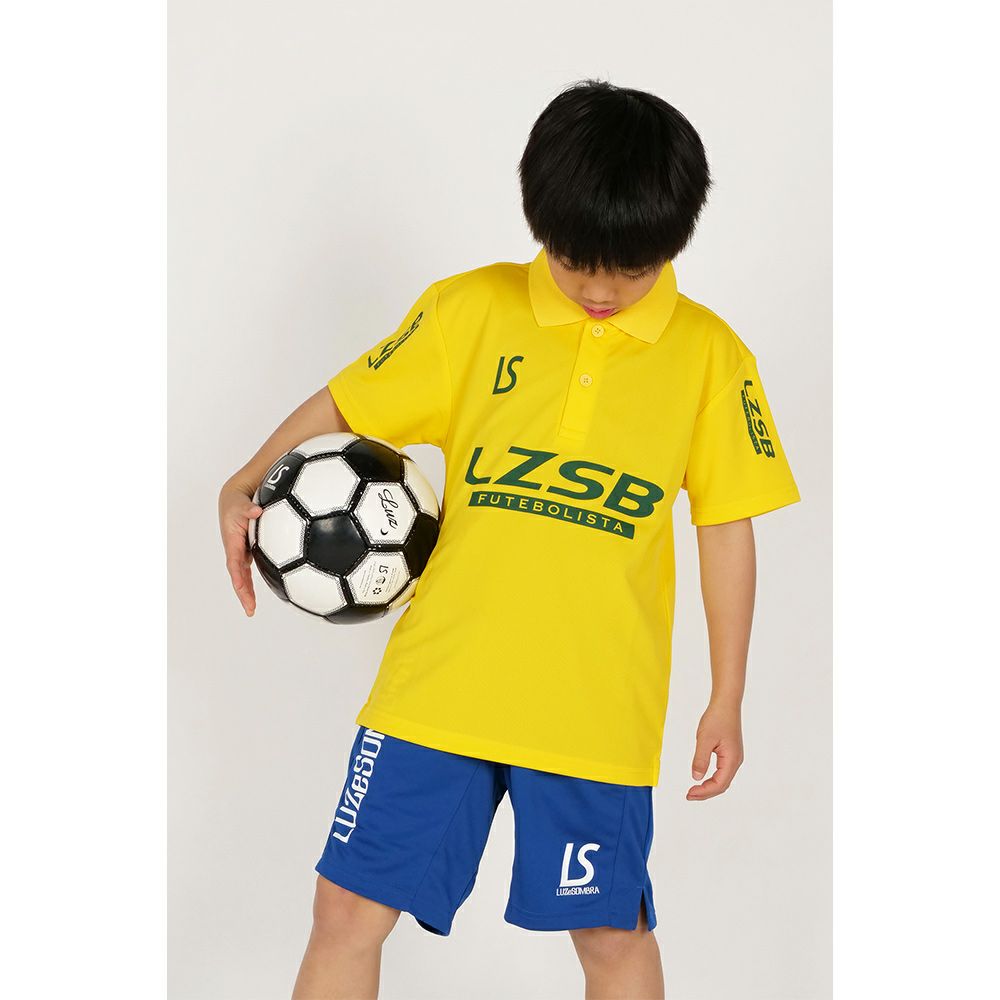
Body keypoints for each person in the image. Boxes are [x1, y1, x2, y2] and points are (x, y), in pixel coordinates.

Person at [218, 78, 800, 1000]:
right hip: (438, 690)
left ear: (675, 240)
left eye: (630, 270)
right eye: (575, 263)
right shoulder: (470, 312)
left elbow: (727, 527)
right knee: (345, 910)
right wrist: (247, 478)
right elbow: (349, 402)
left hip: (593, 711)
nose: (600, 290)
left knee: (610, 934)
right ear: (539, 223)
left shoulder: (711, 356)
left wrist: (727, 695)